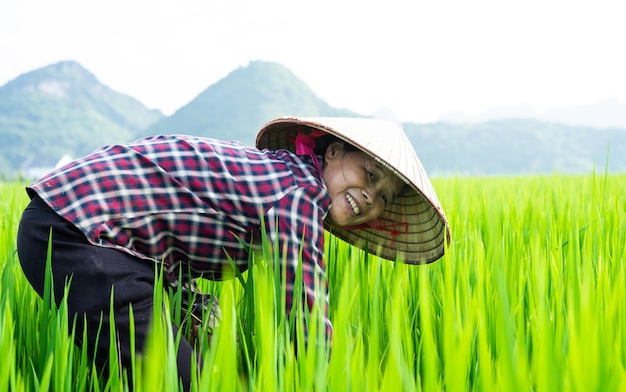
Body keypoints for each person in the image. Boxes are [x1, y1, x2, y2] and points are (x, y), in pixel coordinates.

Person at [16, 116, 450, 390]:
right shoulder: (301, 194)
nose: (370, 196)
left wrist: (187, 306)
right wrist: (331, 377)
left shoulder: (280, 174)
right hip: (77, 233)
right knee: (186, 381)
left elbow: (168, 227)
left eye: (384, 197)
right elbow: (304, 309)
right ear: (332, 151)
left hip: (72, 228)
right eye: (369, 173)